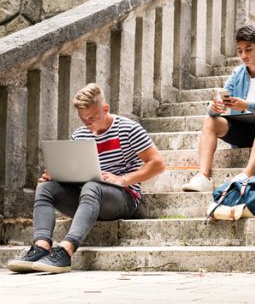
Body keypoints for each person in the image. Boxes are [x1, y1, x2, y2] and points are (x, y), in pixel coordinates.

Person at [7, 83, 165, 273]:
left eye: (92, 118)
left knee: (92, 186)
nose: (87, 123)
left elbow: (157, 164)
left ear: (105, 109)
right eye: (83, 119)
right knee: (45, 188)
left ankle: (65, 252)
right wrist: (56, 175)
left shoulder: (128, 129)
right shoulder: (80, 134)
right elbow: (76, 172)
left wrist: (122, 179)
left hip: (122, 198)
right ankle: (41, 247)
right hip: (88, 200)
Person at [182, 25, 255, 192]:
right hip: (245, 131)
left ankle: (247, 174)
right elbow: (216, 104)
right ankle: (203, 176)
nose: (244, 55)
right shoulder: (237, 74)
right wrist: (215, 107)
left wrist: (247, 104)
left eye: (248, 50)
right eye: (240, 51)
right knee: (210, 121)